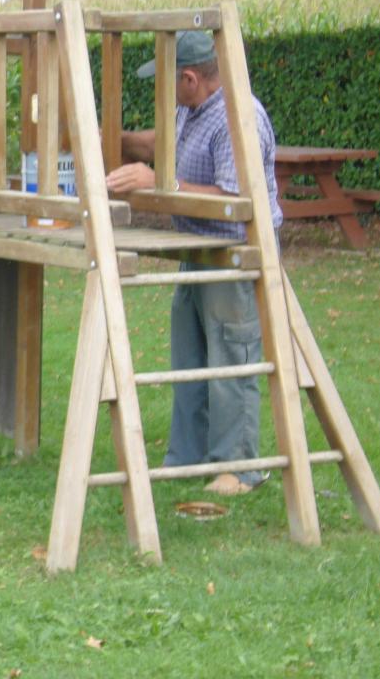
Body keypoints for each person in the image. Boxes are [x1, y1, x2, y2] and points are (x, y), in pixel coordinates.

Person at [104, 30, 283, 496]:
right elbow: (157, 143)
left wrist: (161, 184)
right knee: (189, 361)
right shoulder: (192, 110)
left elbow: (235, 199)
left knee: (229, 362)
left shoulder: (237, 119)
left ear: (188, 78)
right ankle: (187, 458)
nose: (160, 92)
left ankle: (238, 468)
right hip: (198, 251)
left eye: (165, 81)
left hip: (234, 257)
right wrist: (116, 140)